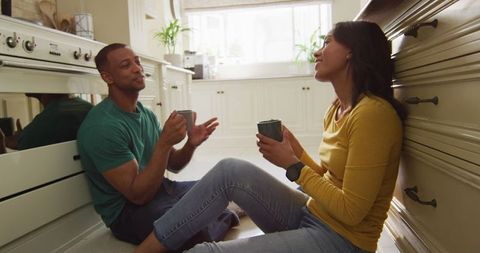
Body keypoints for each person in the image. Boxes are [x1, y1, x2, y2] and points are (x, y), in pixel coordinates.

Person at [135, 21, 406, 253]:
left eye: (326, 43)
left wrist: (294, 166)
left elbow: (352, 211)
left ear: (351, 51)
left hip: (343, 241)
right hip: (314, 214)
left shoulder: (373, 115)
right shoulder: (338, 108)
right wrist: (297, 153)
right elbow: (329, 180)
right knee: (230, 170)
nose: (316, 51)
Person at [76, 43, 239, 251]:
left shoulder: (145, 114)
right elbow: (138, 195)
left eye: (137, 62)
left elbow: (174, 165)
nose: (137, 68)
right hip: (127, 212)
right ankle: (213, 221)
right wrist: (164, 143)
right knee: (197, 230)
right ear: (108, 77)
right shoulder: (102, 127)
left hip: (161, 190)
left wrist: (190, 145)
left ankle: (211, 218)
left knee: (221, 189)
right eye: (126, 65)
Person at [0, 93, 92, 154]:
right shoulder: (87, 107)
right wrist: (24, 140)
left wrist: (1, 149)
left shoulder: (46, 123)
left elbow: (19, 174)